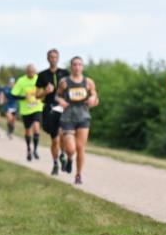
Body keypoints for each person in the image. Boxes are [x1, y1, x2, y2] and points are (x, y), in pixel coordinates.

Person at [54, 56, 99, 185]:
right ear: (71, 66)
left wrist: (93, 99)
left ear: (82, 67)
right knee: (71, 149)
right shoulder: (64, 82)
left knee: (80, 148)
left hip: (83, 117)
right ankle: (68, 158)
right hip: (68, 117)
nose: (77, 67)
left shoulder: (88, 82)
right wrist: (60, 100)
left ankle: (78, 175)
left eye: (79, 64)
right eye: (74, 64)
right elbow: (57, 95)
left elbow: (95, 96)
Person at [37, 48, 69, 176]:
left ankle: (63, 154)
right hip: (49, 108)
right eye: (51, 57)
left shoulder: (65, 73)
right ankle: (55, 163)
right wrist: (45, 91)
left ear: (58, 58)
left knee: (63, 134)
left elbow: (71, 90)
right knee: (54, 139)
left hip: (62, 107)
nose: (53, 59)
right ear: (47, 58)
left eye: (55, 57)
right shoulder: (42, 75)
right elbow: (36, 95)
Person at [10, 64, 43, 161]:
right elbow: (13, 95)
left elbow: (44, 91)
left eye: (33, 72)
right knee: (28, 130)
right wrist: (24, 97)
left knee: (36, 127)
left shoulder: (39, 79)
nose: (32, 74)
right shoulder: (21, 81)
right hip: (25, 110)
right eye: (30, 72)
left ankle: (35, 150)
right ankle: (29, 149)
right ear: (26, 72)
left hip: (37, 108)